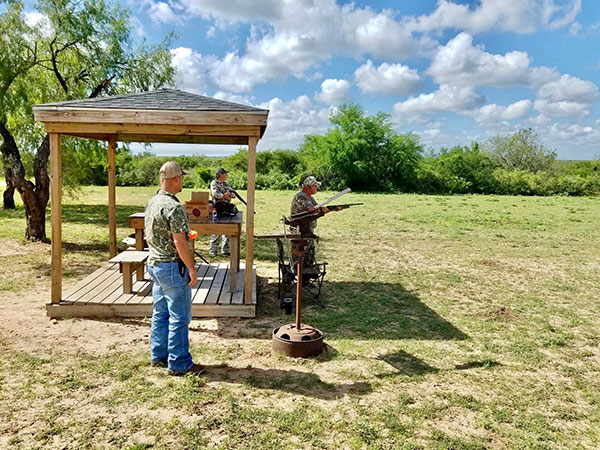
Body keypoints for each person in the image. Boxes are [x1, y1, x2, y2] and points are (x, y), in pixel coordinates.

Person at [144, 161, 205, 376]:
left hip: (154, 265)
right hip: (171, 267)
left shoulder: (152, 202)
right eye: (182, 178)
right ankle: (179, 363)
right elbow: (180, 242)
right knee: (179, 317)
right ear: (176, 179)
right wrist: (192, 267)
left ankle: (158, 355)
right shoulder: (175, 207)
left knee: (160, 313)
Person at [209, 168, 234, 257]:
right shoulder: (214, 183)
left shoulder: (226, 184)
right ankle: (213, 250)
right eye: (225, 174)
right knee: (216, 229)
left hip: (226, 208)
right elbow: (215, 194)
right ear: (221, 174)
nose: (226, 175)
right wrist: (224, 196)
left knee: (227, 228)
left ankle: (226, 249)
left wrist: (229, 195)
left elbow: (233, 193)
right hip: (217, 208)